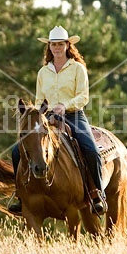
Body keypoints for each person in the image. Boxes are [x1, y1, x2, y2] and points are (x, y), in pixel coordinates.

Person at [9, 26, 106, 215]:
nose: (57, 48)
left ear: (67, 45)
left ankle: (96, 194)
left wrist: (65, 105)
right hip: (47, 118)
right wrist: (39, 113)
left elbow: (83, 96)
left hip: (73, 115)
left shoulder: (78, 68)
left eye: (60, 44)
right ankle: (20, 195)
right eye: (53, 44)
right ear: (49, 47)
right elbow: (39, 100)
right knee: (16, 151)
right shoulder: (43, 72)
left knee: (91, 150)